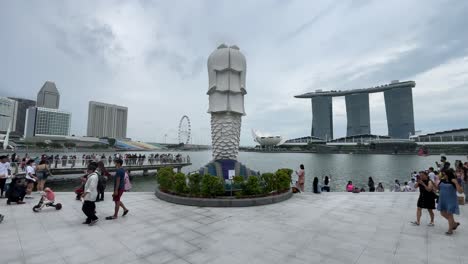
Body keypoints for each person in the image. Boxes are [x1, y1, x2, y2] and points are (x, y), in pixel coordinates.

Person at [437, 169, 463, 235]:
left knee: (449, 214)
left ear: (448, 174)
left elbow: (460, 191)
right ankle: (454, 224)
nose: (443, 175)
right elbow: (438, 189)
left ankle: (450, 230)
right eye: (443, 174)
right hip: (443, 199)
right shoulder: (442, 180)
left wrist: (456, 182)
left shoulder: (454, 181)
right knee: (442, 213)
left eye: (444, 174)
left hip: (451, 200)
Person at [81, 162, 99, 226]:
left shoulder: (93, 177)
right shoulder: (92, 176)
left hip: (90, 195)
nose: (87, 171)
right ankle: (88, 220)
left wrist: (85, 194)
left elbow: (91, 187)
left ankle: (94, 218)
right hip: (90, 194)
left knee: (85, 208)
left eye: (88, 170)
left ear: (91, 170)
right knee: (90, 208)